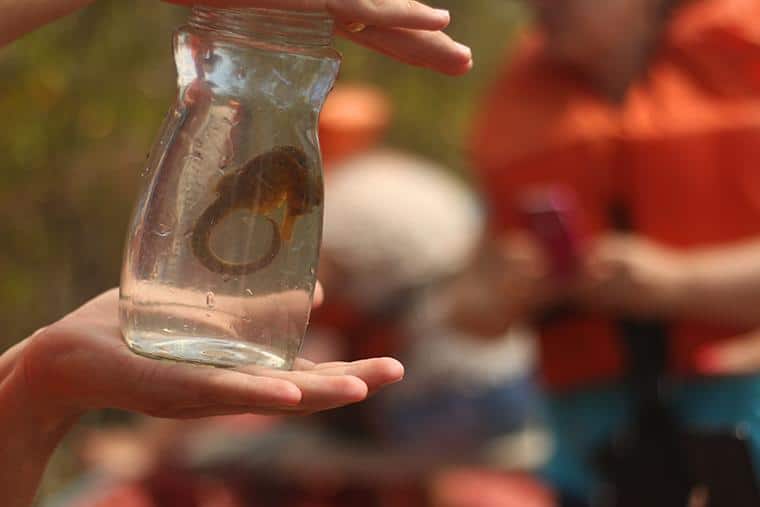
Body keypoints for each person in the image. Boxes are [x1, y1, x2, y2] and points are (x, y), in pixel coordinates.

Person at [0, 2, 472, 506]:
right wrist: (39, 384)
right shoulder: (400, 178)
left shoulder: (349, 199)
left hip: (429, 378)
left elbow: (308, 285)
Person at [437, 0, 760, 504]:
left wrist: (678, 283)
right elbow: (465, 313)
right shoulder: (524, 106)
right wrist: (506, 289)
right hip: (596, 459)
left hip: (740, 427)